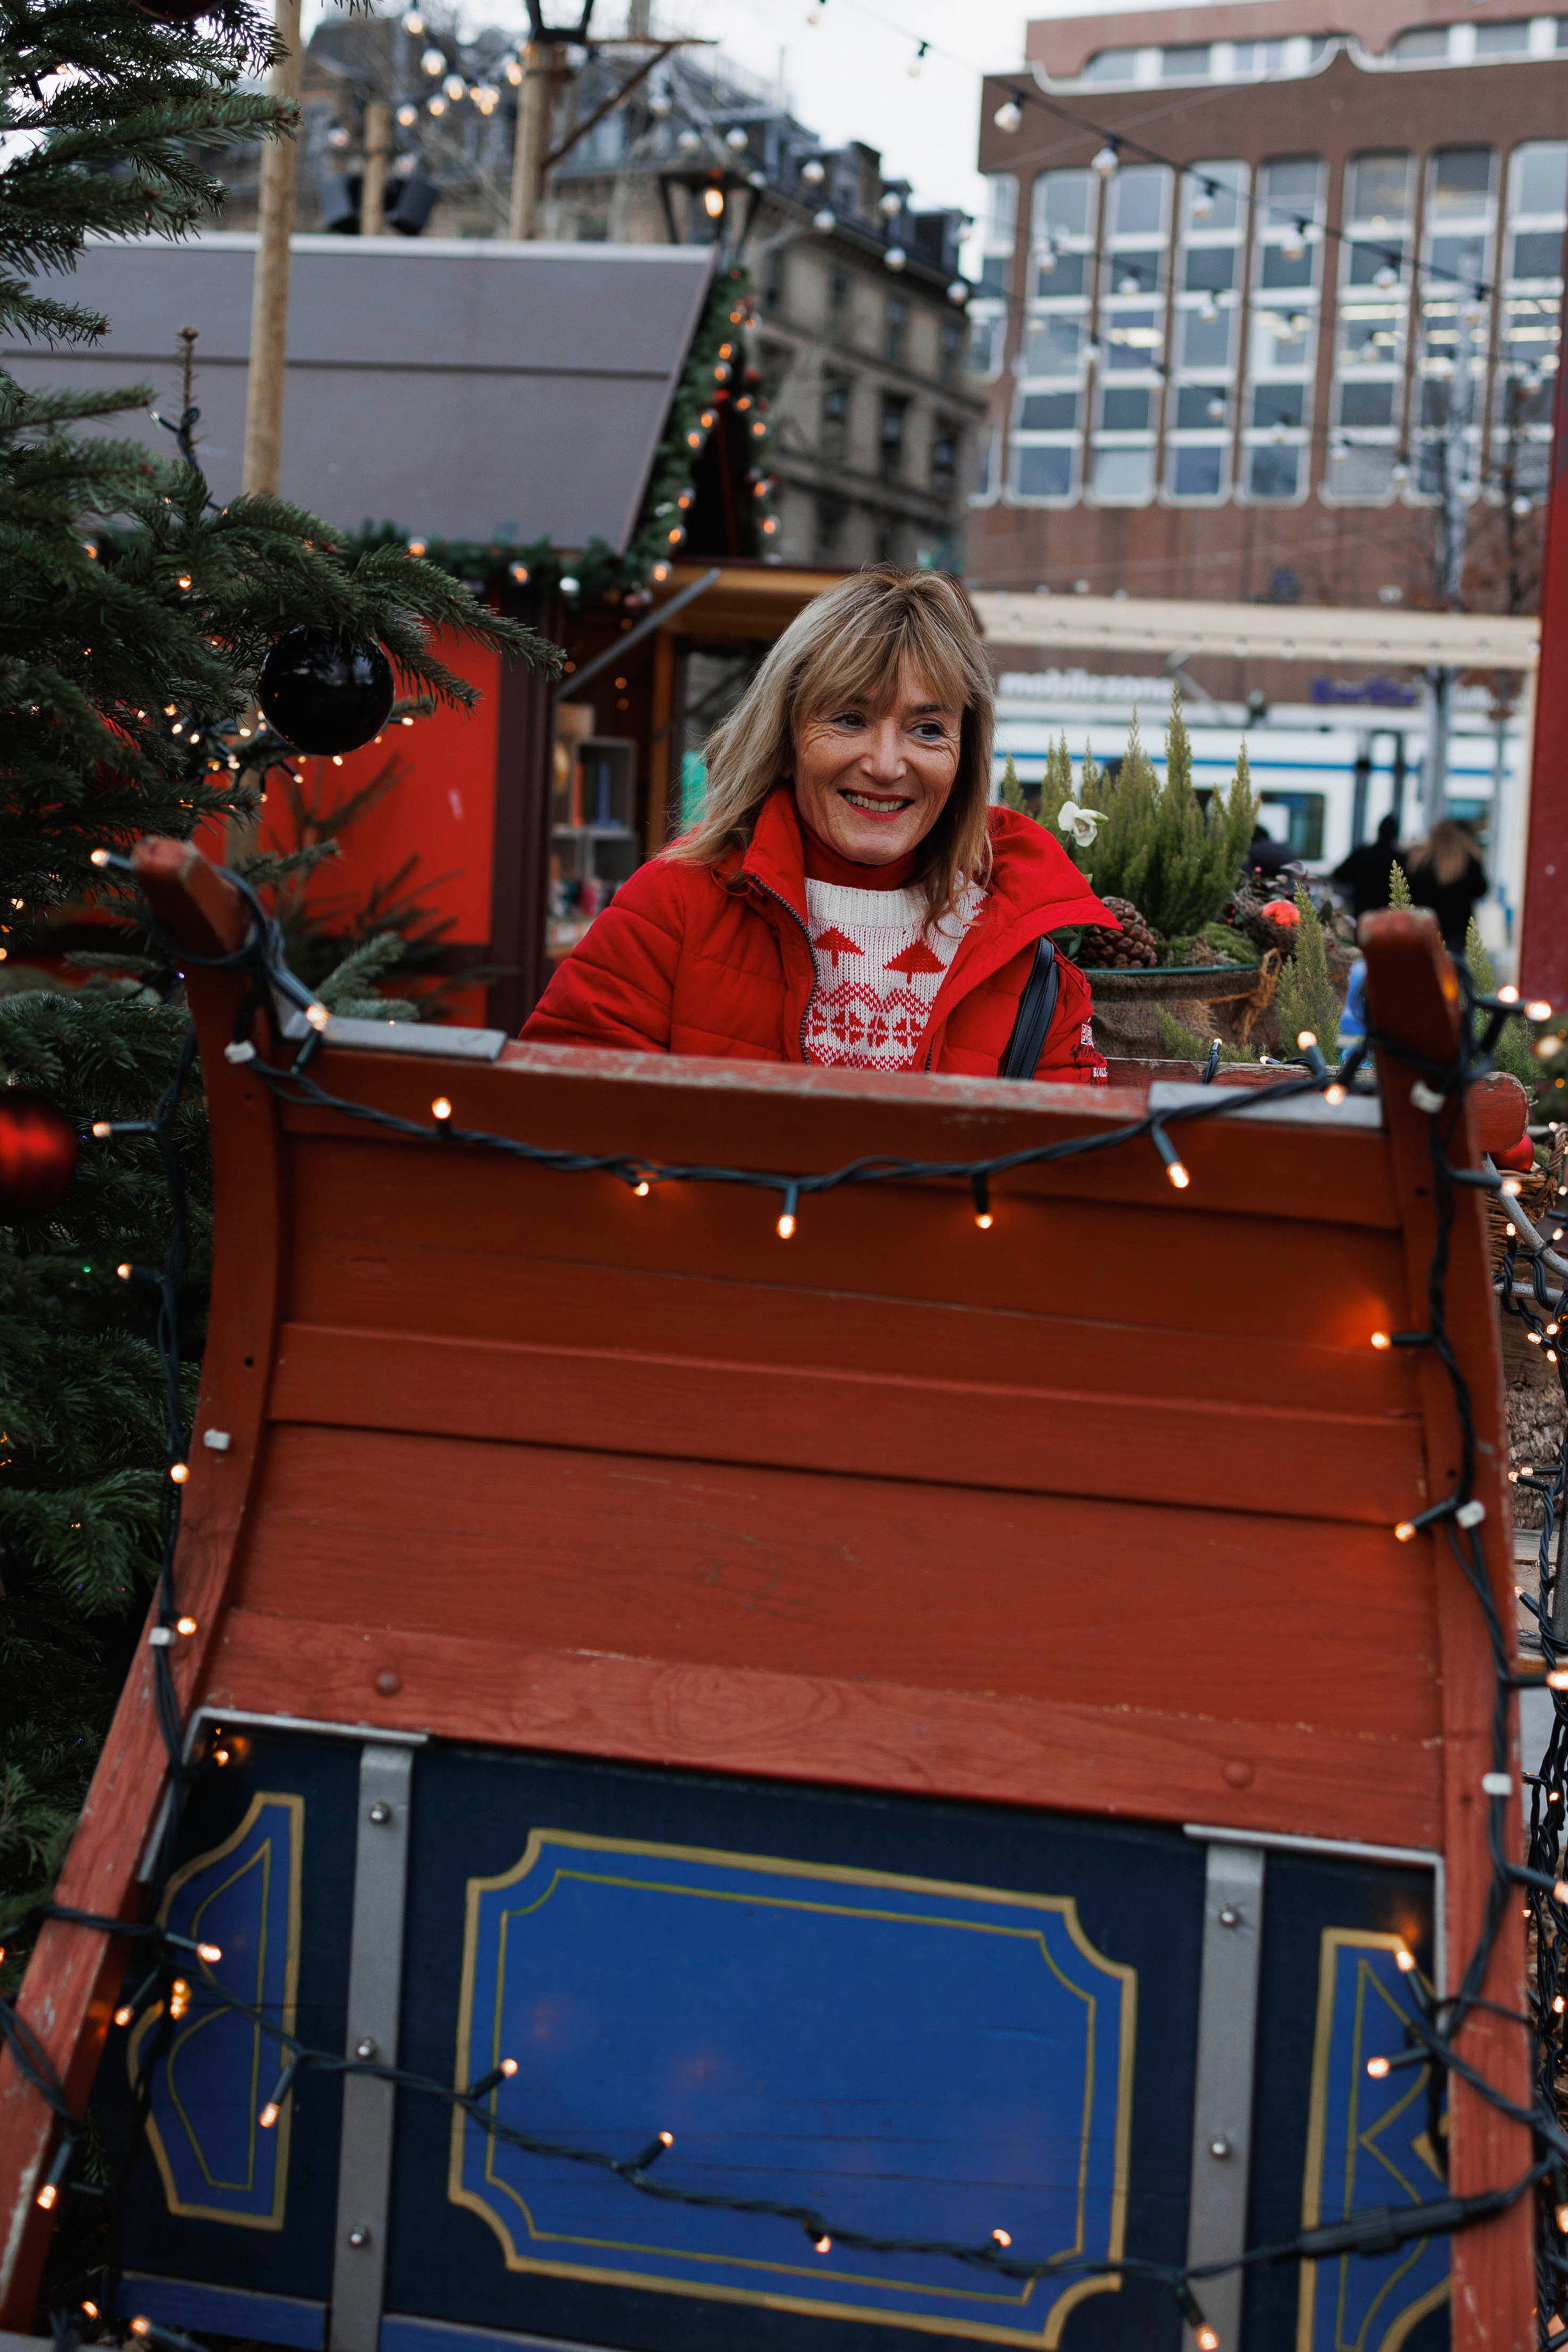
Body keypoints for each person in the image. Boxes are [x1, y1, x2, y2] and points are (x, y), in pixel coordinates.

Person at [524, 568, 1115, 1082]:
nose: (886, 765)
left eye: (928, 729)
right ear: (783, 742)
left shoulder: (1026, 950)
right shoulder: (671, 910)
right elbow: (562, 1125)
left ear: (964, 760)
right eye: (850, 718)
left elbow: (1054, 1185)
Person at [1403, 817, 1487, 953]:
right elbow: (1481, 889)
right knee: (1452, 965)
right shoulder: (1467, 861)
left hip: (1426, 923)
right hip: (1457, 925)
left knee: (1427, 963)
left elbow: (1411, 894)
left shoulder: (1421, 861)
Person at [1332, 812, 1402, 922]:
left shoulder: (1362, 853)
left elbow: (1338, 875)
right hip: (1389, 920)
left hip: (1362, 915)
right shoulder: (1400, 859)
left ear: (1379, 831)